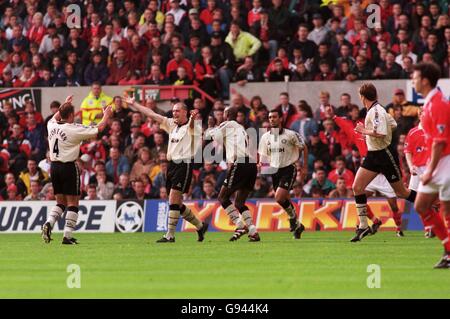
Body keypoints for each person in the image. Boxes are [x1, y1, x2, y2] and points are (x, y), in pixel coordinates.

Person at [123, 95, 208, 243]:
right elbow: (151, 114)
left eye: (177, 111)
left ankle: (170, 235)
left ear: (185, 112)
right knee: (176, 203)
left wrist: (193, 118)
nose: (173, 113)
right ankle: (200, 226)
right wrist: (134, 104)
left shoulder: (193, 125)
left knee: (173, 198)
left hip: (184, 164)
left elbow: (192, 127)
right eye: (173, 111)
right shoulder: (171, 124)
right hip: (172, 165)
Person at [351, 83, 418, 242]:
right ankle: (363, 226)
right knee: (357, 187)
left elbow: (380, 133)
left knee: (402, 192)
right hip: (373, 154)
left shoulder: (376, 111)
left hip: (384, 154)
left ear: (362, 96)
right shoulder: (377, 110)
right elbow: (393, 125)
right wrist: (370, 134)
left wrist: (364, 131)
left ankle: (431, 201)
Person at [41, 95, 112, 245]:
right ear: (72, 115)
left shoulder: (51, 124)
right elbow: (99, 128)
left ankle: (49, 222)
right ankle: (67, 235)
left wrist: (65, 104)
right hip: (68, 167)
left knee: (60, 202)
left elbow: (56, 115)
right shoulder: (74, 129)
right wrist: (106, 115)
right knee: (73, 202)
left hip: (54, 167)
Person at [412, 62, 450, 268]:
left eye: (415, 77)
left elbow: (440, 141)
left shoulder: (438, 104)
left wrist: (430, 170)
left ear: (425, 80)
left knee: (442, 209)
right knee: (422, 205)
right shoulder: (430, 102)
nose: (413, 81)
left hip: (445, 162)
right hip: (438, 162)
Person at [205, 106, 260, 242]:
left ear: (227, 114)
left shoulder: (227, 124)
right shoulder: (241, 128)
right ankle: (253, 231)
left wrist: (210, 126)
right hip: (251, 165)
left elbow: (212, 137)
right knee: (240, 202)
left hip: (240, 163)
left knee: (223, 197)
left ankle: (239, 225)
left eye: (223, 112)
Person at [258, 109, 308, 239]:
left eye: (274, 117)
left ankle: (292, 218)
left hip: (288, 168)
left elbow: (304, 147)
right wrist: (260, 164)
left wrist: (304, 167)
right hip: (274, 170)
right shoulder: (265, 137)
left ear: (280, 119)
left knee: (279, 197)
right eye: (269, 117)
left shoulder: (291, 134)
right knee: (284, 199)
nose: (272, 119)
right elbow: (263, 155)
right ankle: (298, 226)